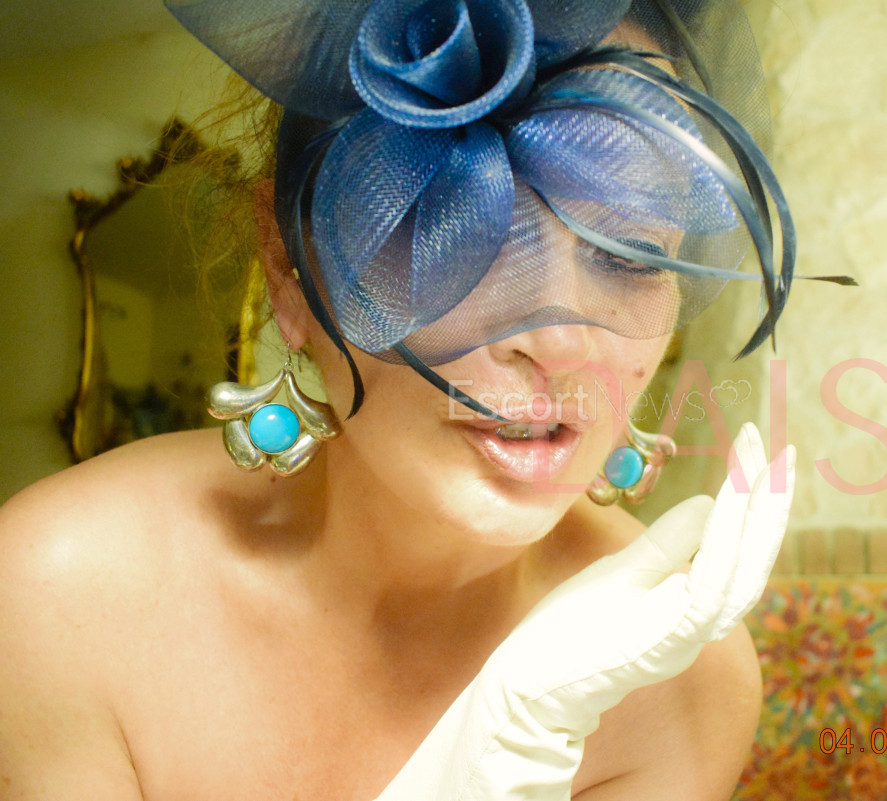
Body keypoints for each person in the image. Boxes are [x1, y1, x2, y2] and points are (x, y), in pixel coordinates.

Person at [0, 1, 823, 798]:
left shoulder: (684, 691)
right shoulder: (57, 596)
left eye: (633, 252)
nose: (560, 340)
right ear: (289, 264)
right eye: (453, 223)